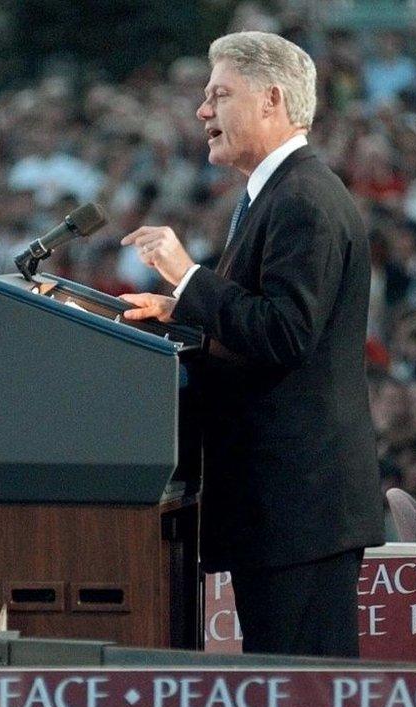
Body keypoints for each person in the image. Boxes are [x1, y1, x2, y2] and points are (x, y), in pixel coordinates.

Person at [120, 31, 384, 656]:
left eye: (218, 95)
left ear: (270, 100)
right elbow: (257, 324)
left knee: (309, 702)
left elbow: (285, 333)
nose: (202, 112)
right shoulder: (276, 194)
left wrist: (187, 277)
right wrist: (178, 311)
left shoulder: (304, 200)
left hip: (300, 510)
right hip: (282, 509)